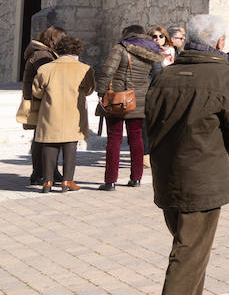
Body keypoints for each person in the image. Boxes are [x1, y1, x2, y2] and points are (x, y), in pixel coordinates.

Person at [143, 13, 229, 295]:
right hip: (203, 179)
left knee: (192, 251)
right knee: (187, 255)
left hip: (169, 176)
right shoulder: (226, 78)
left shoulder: (165, 76)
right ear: (220, 43)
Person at [94, 24, 164, 190]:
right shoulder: (152, 51)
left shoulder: (120, 48)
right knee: (136, 138)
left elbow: (107, 71)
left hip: (118, 99)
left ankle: (110, 181)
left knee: (114, 138)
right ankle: (136, 178)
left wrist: (101, 91)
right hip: (139, 100)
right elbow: (157, 74)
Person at [29, 34, 93, 193]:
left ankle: (48, 181)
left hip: (50, 112)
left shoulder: (45, 68)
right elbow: (89, 90)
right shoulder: (85, 69)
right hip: (73, 113)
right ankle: (67, 181)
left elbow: (36, 92)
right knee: (70, 146)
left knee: (49, 145)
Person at [20, 24, 66, 185]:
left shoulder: (42, 53)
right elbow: (48, 79)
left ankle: (48, 171)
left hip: (41, 101)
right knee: (43, 139)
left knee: (45, 138)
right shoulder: (42, 55)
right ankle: (40, 173)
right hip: (41, 102)